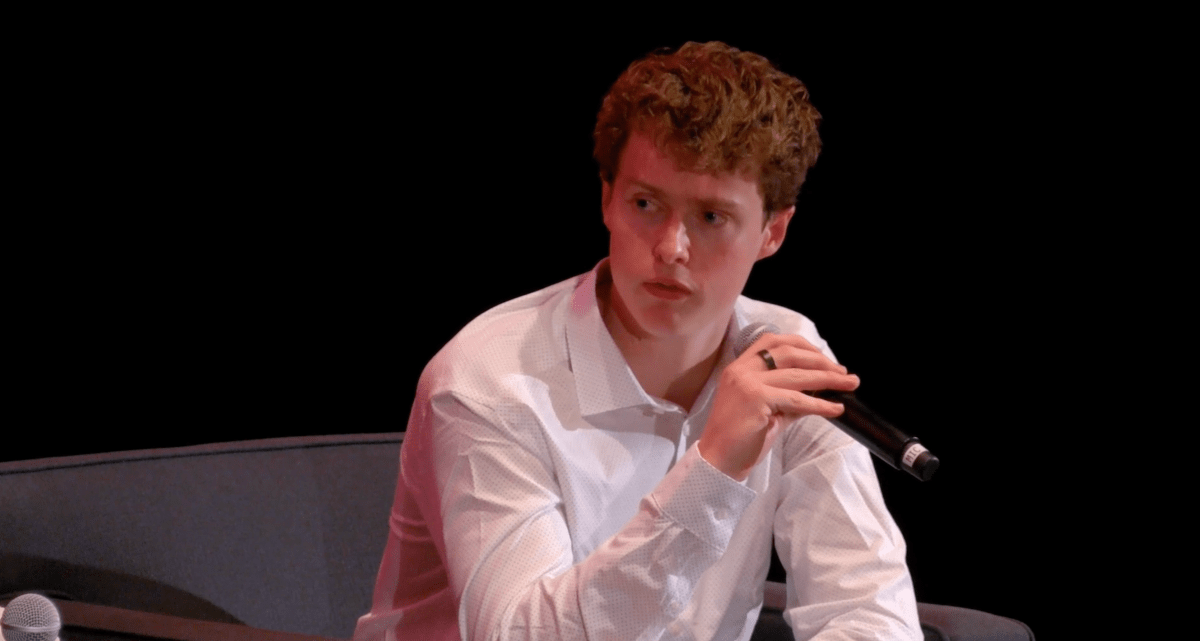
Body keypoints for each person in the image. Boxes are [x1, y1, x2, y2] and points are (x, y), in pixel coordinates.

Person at [354, 41, 922, 641]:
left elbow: (867, 609)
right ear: (607, 198)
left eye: (711, 218)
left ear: (772, 232)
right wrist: (713, 469)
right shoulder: (490, 380)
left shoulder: (784, 354)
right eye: (646, 204)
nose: (671, 248)